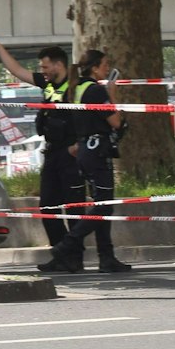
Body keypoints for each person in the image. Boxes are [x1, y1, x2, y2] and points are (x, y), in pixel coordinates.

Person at [0, 37, 81, 257]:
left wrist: (79, 144)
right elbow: (17, 70)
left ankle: (74, 256)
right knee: (48, 207)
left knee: (74, 208)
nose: (41, 71)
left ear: (58, 64)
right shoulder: (48, 83)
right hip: (52, 152)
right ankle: (62, 254)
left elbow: (89, 117)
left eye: (45, 66)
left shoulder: (76, 87)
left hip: (71, 154)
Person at [56, 49, 132, 273]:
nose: (107, 69)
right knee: (105, 205)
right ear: (95, 67)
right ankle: (68, 242)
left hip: (84, 152)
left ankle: (106, 257)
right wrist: (112, 94)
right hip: (98, 153)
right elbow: (116, 122)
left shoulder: (77, 88)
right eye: (105, 64)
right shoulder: (97, 91)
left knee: (100, 203)